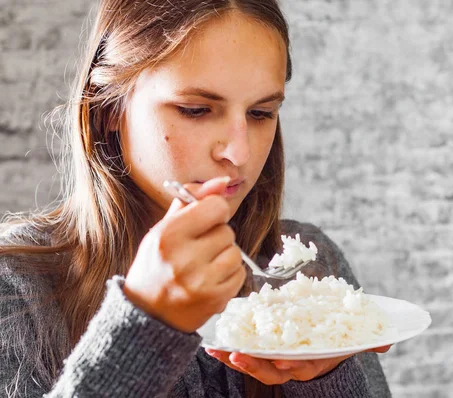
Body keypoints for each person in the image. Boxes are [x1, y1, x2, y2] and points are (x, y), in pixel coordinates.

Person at [0, 1, 393, 397]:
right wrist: (144, 327)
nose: (239, 153)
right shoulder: (14, 287)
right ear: (108, 110)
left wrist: (324, 380)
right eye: (196, 110)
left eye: (260, 113)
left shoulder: (310, 268)